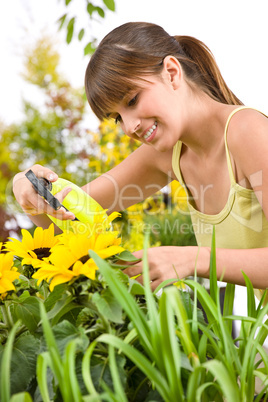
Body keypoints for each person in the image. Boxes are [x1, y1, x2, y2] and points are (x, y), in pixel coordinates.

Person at [13, 22, 268, 298]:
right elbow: (68, 218)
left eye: (132, 100)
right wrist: (27, 190)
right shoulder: (166, 155)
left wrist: (194, 259)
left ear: (171, 73)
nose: (128, 127)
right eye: (118, 117)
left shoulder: (247, 132)